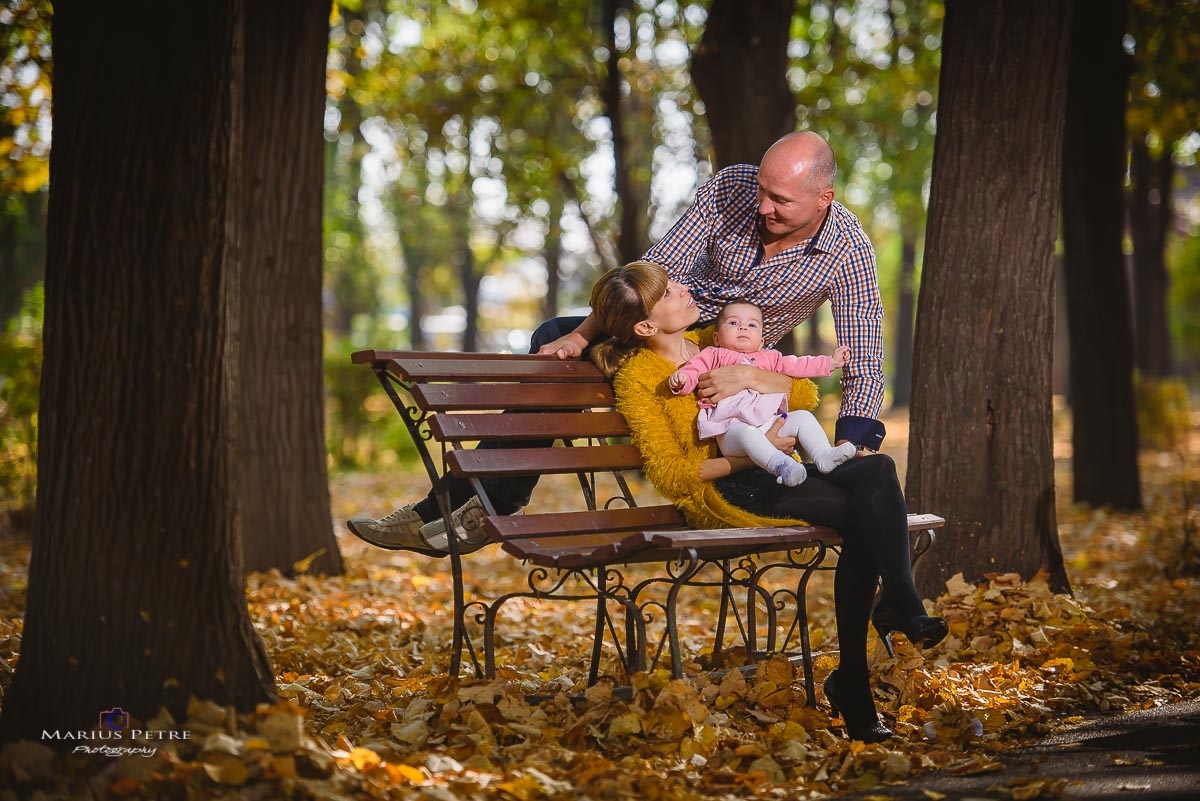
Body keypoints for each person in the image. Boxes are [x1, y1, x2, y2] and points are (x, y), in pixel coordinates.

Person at [347, 130, 886, 553]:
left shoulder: (848, 249)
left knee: (560, 336)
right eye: (762, 189)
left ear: (823, 199)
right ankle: (480, 505)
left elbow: (864, 354)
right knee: (554, 336)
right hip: (664, 322)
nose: (762, 205)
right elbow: (659, 267)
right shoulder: (733, 187)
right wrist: (583, 334)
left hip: (729, 366)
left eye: (780, 200)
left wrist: (857, 442)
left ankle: (465, 505)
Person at [587, 260, 947, 743]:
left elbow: (802, 391)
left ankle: (896, 611)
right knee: (862, 515)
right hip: (734, 489)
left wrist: (746, 378)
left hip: (782, 469)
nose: (686, 290)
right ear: (648, 325)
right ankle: (868, 661)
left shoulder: (711, 346)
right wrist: (761, 451)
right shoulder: (640, 378)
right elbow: (675, 475)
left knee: (879, 468)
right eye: (672, 291)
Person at [668, 300, 856, 487]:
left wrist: (829, 363)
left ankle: (822, 454)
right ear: (717, 338)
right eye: (733, 323)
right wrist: (682, 379)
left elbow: (797, 364)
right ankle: (781, 466)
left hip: (768, 422)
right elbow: (693, 370)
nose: (743, 328)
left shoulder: (769, 358)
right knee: (748, 433)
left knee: (803, 418)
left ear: (761, 342)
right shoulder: (712, 355)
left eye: (752, 325)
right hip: (731, 430)